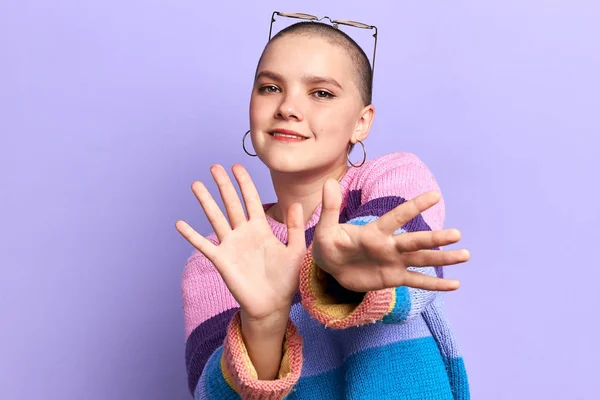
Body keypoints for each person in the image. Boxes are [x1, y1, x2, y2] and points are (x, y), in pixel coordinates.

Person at [176, 16, 471, 400]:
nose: (287, 107)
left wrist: (339, 272)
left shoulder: (389, 178)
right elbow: (210, 396)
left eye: (321, 93)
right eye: (270, 87)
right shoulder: (215, 261)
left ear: (361, 123)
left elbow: (403, 256)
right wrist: (263, 324)